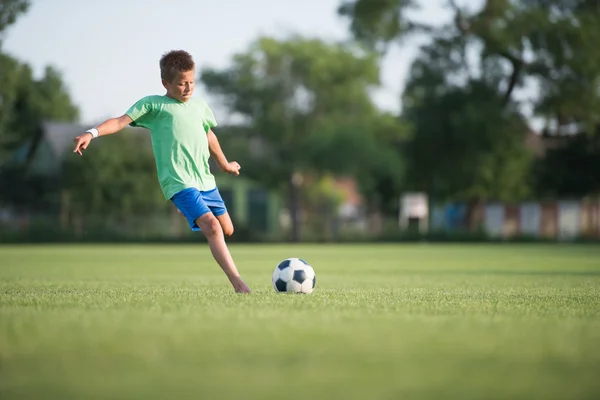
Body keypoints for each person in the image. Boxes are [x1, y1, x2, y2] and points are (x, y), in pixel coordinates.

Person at [72, 50, 251, 294]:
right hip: (178, 181)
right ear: (165, 83)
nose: (187, 88)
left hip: (204, 180)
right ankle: (239, 284)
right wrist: (91, 133)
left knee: (227, 229)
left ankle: (185, 210)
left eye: (191, 82)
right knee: (212, 228)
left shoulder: (200, 106)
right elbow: (119, 121)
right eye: (181, 84)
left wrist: (224, 163)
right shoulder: (154, 105)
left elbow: (209, 134)